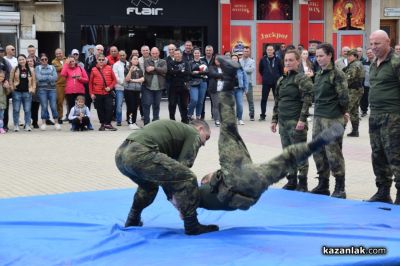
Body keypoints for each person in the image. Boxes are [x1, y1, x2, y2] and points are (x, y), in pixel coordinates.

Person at [198, 56, 344, 211]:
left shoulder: (209, 201)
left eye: (290, 59)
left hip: (252, 191)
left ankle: (313, 148)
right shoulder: (206, 188)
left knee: (285, 160)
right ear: (208, 182)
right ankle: (228, 77)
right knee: (228, 128)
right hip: (237, 179)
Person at [115, 119, 219, 235]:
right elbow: (183, 172)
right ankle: (192, 225)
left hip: (121, 156)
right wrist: (184, 208)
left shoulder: (176, 132)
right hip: (140, 153)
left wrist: (176, 201)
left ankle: (132, 220)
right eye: (207, 137)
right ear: (200, 129)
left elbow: (169, 177)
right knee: (188, 178)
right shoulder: (193, 133)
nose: (204, 143)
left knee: (149, 187)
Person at [271, 50, 313, 192]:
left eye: (291, 60)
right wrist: (274, 120)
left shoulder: (301, 79)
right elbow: (278, 101)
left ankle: (303, 183)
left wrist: (302, 119)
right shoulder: (281, 80)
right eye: (286, 60)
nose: (288, 62)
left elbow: (308, 99)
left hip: (296, 122)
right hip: (283, 122)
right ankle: (291, 180)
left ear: (297, 61)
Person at [311, 43, 349, 199]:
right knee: (318, 152)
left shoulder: (337, 74)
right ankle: (323, 184)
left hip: (332, 118)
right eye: (317, 56)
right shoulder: (319, 74)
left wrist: (343, 114)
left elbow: (344, 97)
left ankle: (340, 187)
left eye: (321, 56)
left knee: (333, 153)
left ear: (330, 55)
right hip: (318, 117)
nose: (318, 59)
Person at [367, 30, 400, 205]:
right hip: (375, 116)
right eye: (371, 43)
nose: (373, 47)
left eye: (377, 44)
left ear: (388, 42)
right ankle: (382, 190)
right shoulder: (373, 62)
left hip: (393, 116)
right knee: (377, 154)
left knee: (395, 155)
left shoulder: (396, 62)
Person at [89, 53, 117, 131]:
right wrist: (91, 93)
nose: (101, 61)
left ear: (105, 60)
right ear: (97, 60)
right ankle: (102, 124)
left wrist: (110, 87)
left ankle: (108, 123)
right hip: (97, 93)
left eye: (102, 60)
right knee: (100, 109)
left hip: (107, 93)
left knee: (109, 108)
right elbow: (90, 83)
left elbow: (115, 80)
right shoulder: (93, 69)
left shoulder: (109, 68)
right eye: (99, 60)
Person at [10, 54, 36, 132]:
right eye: (20, 60)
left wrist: (33, 89)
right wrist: (12, 88)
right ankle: (16, 125)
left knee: (27, 110)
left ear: (26, 60)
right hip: (17, 92)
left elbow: (34, 81)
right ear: (18, 61)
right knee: (16, 109)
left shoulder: (31, 69)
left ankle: (27, 125)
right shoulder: (15, 69)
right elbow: (10, 80)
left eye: (23, 59)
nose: (21, 61)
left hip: (27, 92)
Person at [35, 53, 61, 131]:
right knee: (44, 106)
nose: (44, 61)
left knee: (53, 106)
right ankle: (43, 123)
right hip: (42, 89)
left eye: (45, 59)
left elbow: (55, 77)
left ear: (47, 60)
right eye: (42, 59)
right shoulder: (37, 68)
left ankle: (56, 123)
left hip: (52, 89)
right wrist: (49, 76)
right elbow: (39, 78)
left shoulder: (52, 67)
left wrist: (44, 77)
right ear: (40, 60)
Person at [342, 48, 364, 137]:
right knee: (354, 111)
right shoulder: (355, 64)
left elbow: (349, 77)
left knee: (346, 110)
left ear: (355, 56)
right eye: (348, 56)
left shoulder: (355, 65)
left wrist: (341, 84)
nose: (348, 58)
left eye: (350, 56)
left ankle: (339, 131)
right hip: (357, 90)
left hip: (353, 90)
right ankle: (355, 131)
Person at [142, 47, 167, 125]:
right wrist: (159, 71)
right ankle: (146, 123)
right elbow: (148, 70)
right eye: (153, 53)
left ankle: (155, 123)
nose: (155, 55)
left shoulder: (163, 61)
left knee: (156, 105)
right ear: (150, 53)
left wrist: (154, 68)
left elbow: (165, 71)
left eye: (156, 53)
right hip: (148, 87)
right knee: (147, 105)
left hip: (159, 87)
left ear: (159, 53)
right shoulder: (146, 61)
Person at [258, 45, 283, 121]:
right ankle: (262, 115)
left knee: (277, 99)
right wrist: (266, 76)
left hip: (276, 82)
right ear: (266, 51)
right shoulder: (263, 59)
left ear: (273, 51)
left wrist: (278, 78)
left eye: (271, 50)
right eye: (268, 50)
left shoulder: (278, 59)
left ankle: (277, 115)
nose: (269, 51)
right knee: (264, 99)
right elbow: (260, 70)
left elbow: (281, 70)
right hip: (266, 82)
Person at [61, 55, 89, 121]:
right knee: (71, 107)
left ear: (75, 61)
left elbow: (87, 79)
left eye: (73, 61)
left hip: (80, 91)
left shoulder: (80, 68)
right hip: (70, 91)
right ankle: (72, 120)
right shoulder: (67, 68)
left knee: (81, 106)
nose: (71, 63)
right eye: (70, 61)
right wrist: (66, 64)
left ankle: (82, 119)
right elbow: (62, 74)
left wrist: (80, 78)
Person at [167, 49, 190, 123]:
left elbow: (187, 73)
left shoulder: (186, 63)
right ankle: (172, 120)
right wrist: (180, 71)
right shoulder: (170, 63)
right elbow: (170, 72)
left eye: (178, 54)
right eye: (175, 54)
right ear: (174, 55)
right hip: (173, 87)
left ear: (181, 54)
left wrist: (176, 72)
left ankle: (184, 120)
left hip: (183, 87)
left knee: (184, 105)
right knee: (172, 104)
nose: (177, 55)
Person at [188, 48, 208, 120]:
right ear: (193, 54)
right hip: (193, 83)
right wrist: (200, 73)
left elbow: (207, 72)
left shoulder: (203, 62)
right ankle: (189, 114)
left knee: (200, 101)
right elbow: (190, 73)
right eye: (195, 53)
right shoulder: (190, 63)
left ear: (200, 54)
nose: (197, 54)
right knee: (194, 100)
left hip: (203, 83)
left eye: (198, 53)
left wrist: (198, 72)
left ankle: (198, 116)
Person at [124, 55, 144, 130]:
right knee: (130, 107)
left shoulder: (139, 69)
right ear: (131, 60)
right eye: (134, 59)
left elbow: (142, 79)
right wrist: (130, 71)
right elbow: (127, 79)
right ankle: (130, 122)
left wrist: (133, 80)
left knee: (135, 107)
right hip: (129, 90)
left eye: (137, 59)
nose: (136, 60)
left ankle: (134, 121)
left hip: (137, 90)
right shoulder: (127, 68)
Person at [112, 50, 129, 126]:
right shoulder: (116, 65)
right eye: (120, 55)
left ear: (126, 55)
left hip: (129, 88)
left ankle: (130, 119)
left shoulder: (129, 64)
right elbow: (115, 76)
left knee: (130, 105)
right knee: (119, 105)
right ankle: (118, 120)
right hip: (119, 87)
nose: (122, 56)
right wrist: (123, 83)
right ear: (118, 56)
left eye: (123, 55)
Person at [231, 53, 248, 125]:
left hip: (239, 89)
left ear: (238, 60)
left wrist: (246, 88)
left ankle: (240, 118)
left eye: (236, 58)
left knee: (240, 105)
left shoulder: (241, 68)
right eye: (233, 58)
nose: (234, 59)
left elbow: (245, 79)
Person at [240, 46, 256, 121]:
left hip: (248, 83)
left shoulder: (252, 61)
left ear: (249, 52)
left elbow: (251, 69)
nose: (246, 52)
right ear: (242, 52)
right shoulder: (239, 61)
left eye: (247, 51)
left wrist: (242, 69)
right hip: (240, 83)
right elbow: (237, 70)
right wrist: (245, 69)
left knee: (250, 100)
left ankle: (252, 114)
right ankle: (239, 115)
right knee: (239, 100)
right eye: (245, 51)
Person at [52, 48, 67, 124]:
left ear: (63, 53)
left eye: (60, 53)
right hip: (59, 84)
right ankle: (59, 117)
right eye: (57, 53)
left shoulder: (67, 60)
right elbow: (57, 69)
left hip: (68, 83)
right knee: (59, 102)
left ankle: (70, 117)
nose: (58, 55)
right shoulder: (54, 62)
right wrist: (66, 66)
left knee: (70, 102)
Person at [207, 55, 223, 126]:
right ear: (214, 60)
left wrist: (219, 76)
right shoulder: (211, 67)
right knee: (216, 105)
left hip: (223, 89)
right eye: (216, 60)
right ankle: (217, 120)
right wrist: (222, 75)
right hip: (214, 89)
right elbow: (213, 74)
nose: (218, 61)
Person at [360, 48, 374, 117]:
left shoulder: (377, 61)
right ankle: (364, 111)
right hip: (366, 84)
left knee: (374, 98)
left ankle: (374, 112)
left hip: (375, 85)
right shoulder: (364, 62)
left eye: (370, 52)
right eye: (368, 53)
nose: (369, 54)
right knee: (364, 99)